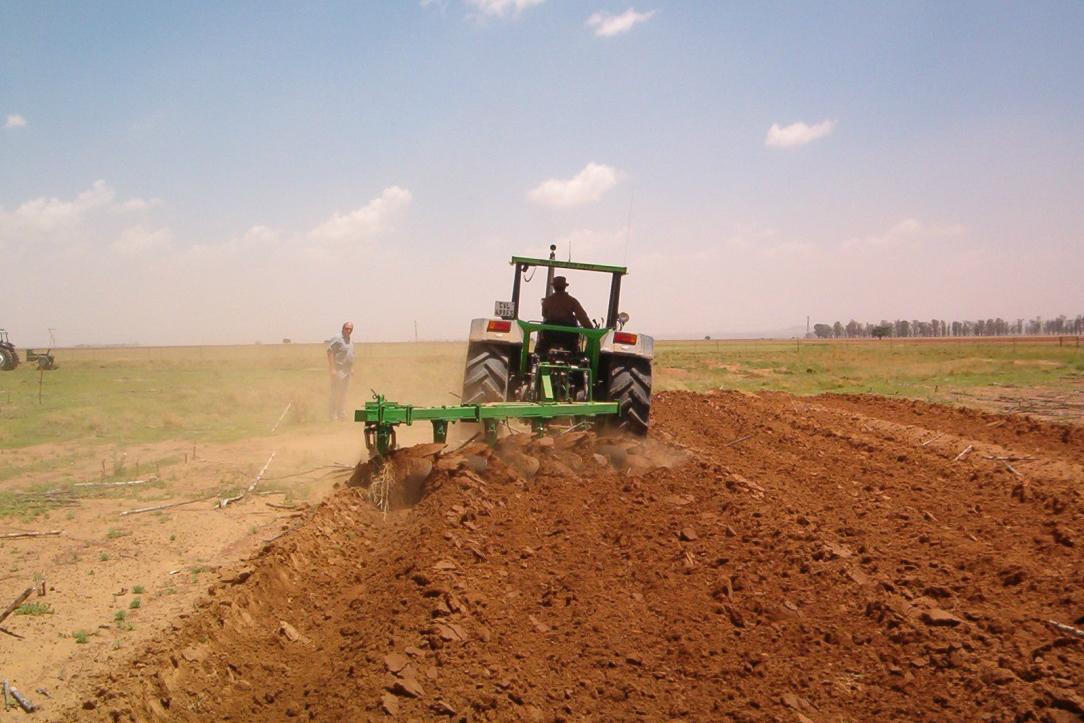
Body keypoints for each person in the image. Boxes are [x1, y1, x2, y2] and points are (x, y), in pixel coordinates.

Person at [537, 276, 592, 356]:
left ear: (554, 287)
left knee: (542, 338)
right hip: (569, 336)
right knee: (576, 343)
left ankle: (540, 355)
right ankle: (574, 355)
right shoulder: (572, 300)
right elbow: (582, 316)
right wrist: (590, 329)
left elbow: (544, 314)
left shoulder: (547, 301)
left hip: (550, 335)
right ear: (564, 287)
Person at [326, 322, 355, 421]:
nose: (348, 330)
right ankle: (332, 415)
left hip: (347, 371)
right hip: (338, 370)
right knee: (335, 392)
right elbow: (330, 351)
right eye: (347, 328)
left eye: (350, 329)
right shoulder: (338, 338)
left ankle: (341, 413)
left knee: (343, 393)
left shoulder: (349, 340)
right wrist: (332, 368)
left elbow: (349, 354)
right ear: (343, 328)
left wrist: (351, 368)